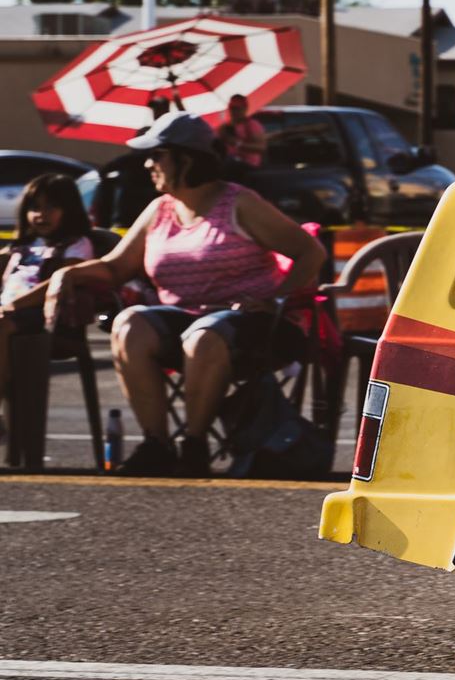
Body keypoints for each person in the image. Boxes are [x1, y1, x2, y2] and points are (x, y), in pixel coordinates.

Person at [45, 112, 327, 477]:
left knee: (205, 334)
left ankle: (193, 445)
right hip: (185, 324)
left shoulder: (239, 203)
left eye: (156, 155)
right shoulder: (159, 210)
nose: (148, 164)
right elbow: (116, 268)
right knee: (130, 324)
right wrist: (65, 275)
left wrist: (277, 297)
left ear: (185, 159)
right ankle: (156, 445)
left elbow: (311, 253)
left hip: (256, 327)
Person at [0, 173, 98, 440]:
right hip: (9, 316)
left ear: (69, 210)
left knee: (2, 324)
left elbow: (60, 282)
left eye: (50, 207)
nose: (41, 215)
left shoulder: (77, 245)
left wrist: (14, 305)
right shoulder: (23, 247)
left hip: (51, 321)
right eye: (34, 207)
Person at [214, 94, 268, 169]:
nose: (234, 111)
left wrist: (236, 143)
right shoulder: (225, 126)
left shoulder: (251, 124)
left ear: (245, 108)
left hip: (248, 164)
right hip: (230, 161)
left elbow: (261, 148)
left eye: (237, 108)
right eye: (232, 108)